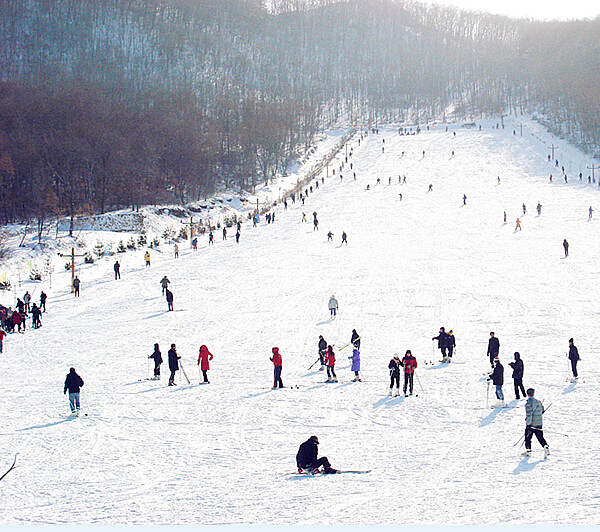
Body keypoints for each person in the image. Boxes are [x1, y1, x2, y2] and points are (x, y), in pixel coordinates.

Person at [523, 388, 549, 459]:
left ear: (527, 394)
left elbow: (529, 414)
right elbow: (542, 410)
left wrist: (528, 424)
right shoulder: (538, 402)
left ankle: (528, 451)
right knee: (540, 437)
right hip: (539, 423)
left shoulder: (528, 403)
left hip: (532, 424)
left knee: (528, 437)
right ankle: (545, 447)